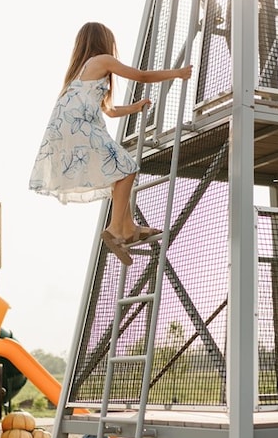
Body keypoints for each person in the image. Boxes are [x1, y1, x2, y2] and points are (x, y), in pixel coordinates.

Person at [29, 21, 192, 265]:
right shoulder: (102, 60)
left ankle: (127, 228)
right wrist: (176, 73)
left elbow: (109, 110)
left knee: (121, 171)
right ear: (104, 42)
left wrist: (134, 108)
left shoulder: (80, 72)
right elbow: (141, 76)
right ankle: (117, 229)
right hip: (79, 127)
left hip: (66, 130)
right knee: (127, 168)